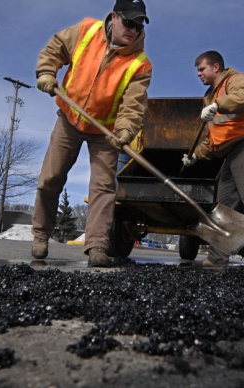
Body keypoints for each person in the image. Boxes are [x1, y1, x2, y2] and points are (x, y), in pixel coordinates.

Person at [31, 0, 152, 267]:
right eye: (129, 23)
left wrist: (124, 131)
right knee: (50, 178)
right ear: (115, 17)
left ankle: (97, 246)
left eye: (139, 25)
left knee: (103, 188)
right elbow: (56, 47)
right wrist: (47, 71)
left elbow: (133, 106)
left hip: (105, 133)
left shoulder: (140, 64)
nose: (134, 30)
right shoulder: (86, 30)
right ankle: (40, 235)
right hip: (68, 120)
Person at [182, 50, 244, 266]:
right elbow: (212, 138)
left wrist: (218, 105)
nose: (199, 74)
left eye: (202, 69)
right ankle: (217, 259)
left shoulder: (236, 80)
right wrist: (195, 157)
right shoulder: (209, 97)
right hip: (231, 153)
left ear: (216, 67)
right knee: (224, 207)